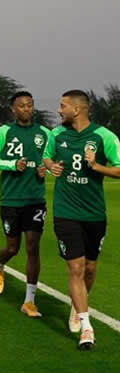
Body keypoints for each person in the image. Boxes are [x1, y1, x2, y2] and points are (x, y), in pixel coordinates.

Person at [42, 89, 120, 350]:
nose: (58, 110)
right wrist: (51, 166)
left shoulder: (104, 136)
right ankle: (87, 327)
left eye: (62, 106)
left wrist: (96, 166)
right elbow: (46, 156)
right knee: (75, 268)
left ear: (76, 110)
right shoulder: (56, 134)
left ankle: (78, 305)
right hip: (65, 212)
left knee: (89, 268)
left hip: (94, 213)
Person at [0, 91, 52, 318]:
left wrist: (45, 170)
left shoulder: (45, 133)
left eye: (29, 105)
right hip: (11, 200)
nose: (26, 109)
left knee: (33, 246)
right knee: (13, 248)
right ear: (13, 109)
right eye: (21, 106)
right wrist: (12, 164)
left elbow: (53, 161)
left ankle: (29, 301)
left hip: (35, 199)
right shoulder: (4, 132)